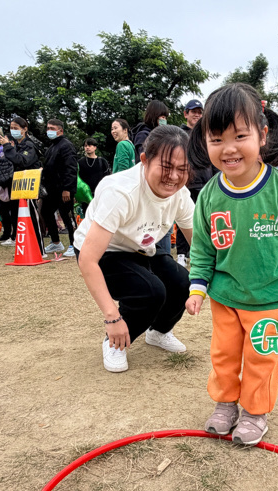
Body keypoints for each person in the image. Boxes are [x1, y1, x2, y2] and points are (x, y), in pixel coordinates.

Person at [185, 82, 278, 446]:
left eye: (240, 136)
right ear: (205, 143)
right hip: (225, 296)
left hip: (270, 299)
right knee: (224, 355)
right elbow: (202, 249)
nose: (228, 148)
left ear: (262, 135)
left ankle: (255, 412)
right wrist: (197, 288)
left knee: (262, 358)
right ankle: (225, 404)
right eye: (216, 139)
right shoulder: (208, 195)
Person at [73, 126, 195, 374]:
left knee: (183, 281)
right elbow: (88, 260)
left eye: (182, 169)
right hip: (104, 251)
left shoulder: (180, 194)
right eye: (166, 166)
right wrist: (112, 317)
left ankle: (158, 332)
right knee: (151, 292)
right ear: (145, 160)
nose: (173, 177)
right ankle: (114, 342)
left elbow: (200, 245)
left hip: (141, 246)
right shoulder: (120, 191)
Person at [175, 99, 215, 268]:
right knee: (183, 219)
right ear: (186, 114)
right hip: (187, 184)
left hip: (206, 183)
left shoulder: (207, 134)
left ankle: (204, 253)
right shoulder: (179, 134)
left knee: (205, 220)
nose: (197, 115)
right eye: (193, 112)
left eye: (200, 112)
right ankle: (182, 254)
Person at [0, 116, 42, 249]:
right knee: (17, 215)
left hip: (28, 185)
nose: (13, 130)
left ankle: (39, 248)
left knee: (31, 216)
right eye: (11, 128)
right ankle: (21, 242)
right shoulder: (16, 145)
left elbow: (22, 161)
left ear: (25, 129)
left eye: (16, 128)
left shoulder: (29, 145)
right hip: (17, 185)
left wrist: (7, 146)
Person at [41, 118, 78, 256]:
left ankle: (74, 244)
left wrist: (67, 188)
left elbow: (71, 168)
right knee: (45, 211)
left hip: (63, 188)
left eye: (52, 128)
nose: (49, 131)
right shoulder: (52, 147)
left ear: (60, 131)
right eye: (48, 128)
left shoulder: (66, 146)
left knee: (66, 216)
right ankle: (56, 242)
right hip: (51, 189)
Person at [78, 137, 111, 214]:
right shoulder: (80, 162)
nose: (87, 147)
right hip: (86, 196)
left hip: (100, 194)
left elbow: (108, 178)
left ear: (95, 147)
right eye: (85, 146)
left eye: (89, 145)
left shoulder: (102, 161)